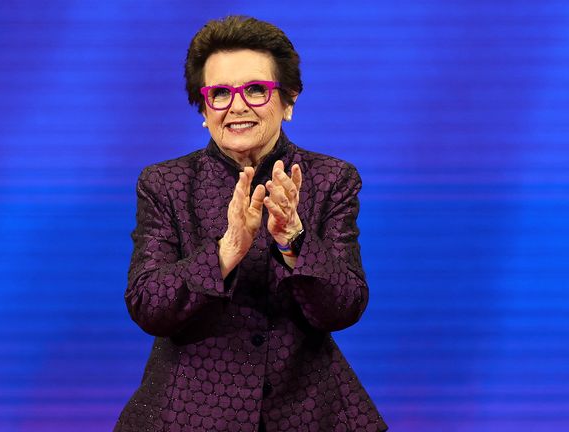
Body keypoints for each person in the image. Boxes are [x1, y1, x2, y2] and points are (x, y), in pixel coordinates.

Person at [114, 15, 388, 432]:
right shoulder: (165, 184)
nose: (237, 106)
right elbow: (149, 306)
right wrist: (226, 252)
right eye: (220, 93)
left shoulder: (331, 179)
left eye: (256, 90)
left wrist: (294, 240)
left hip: (309, 413)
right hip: (187, 415)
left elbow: (345, 306)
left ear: (289, 100)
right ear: (204, 110)